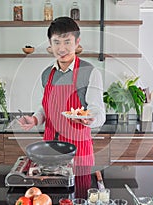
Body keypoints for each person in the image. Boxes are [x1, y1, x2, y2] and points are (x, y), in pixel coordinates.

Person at [18, 16, 106, 168]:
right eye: (56, 42)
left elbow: (98, 112)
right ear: (50, 44)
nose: (62, 48)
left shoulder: (90, 72)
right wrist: (35, 119)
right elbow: (45, 108)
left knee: (79, 190)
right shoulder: (47, 74)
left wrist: (91, 120)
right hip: (49, 150)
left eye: (67, 42)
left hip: (79, 152)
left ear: (77, 42)